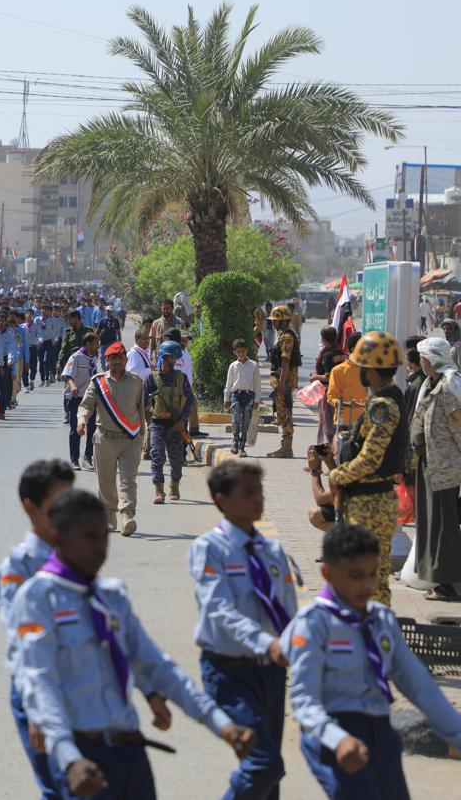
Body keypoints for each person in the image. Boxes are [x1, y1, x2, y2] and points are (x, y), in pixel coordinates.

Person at [12, 488, 255, 800]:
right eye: (88, 537)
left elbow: (156, 665)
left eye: (103, 536)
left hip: (131, 755)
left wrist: (221, 724)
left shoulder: (110, 597)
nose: (99, 547)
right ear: (58, 538)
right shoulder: (36, 599)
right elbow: (40, 684)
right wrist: (69, 758)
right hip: (84, 759)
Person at [282, 523, 461, 798]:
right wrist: (337, 740)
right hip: (332, 732)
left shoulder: (382, 620)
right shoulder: (315, 623)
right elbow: (304, 700)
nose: (366, 585)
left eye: (372, 574)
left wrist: (456, 733)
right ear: (327, 573)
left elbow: (419, 685)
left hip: (379, 729)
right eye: (355, 576)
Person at [189, 461, 296, 800]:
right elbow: (218, 608)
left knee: (270, 777)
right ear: (221, 500)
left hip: (271, 674)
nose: (258, 499)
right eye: (248, 492)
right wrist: (267, 643)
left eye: (260, 491)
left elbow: (288, 611)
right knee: (263, 764)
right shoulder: (210, 548)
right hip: (229, 672)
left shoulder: (273, 550)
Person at [0, 460, 74, 797]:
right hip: (41, 689)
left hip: (77, 682)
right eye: (61, 501)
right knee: (59, 784)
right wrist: (39, 711)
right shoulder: (21, 563)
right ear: (32, 507)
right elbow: (23, 640)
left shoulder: (75, 553)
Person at [317, 332, 409, 606]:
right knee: (371, 579)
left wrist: (336, 475)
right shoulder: (387, 399)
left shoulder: (383, 405)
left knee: (369, 581)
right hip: (370, 498)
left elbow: (370, 459)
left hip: (370, 501)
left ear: (370, 370)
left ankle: (373, 637)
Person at [407, 338, 461, 601]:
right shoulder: (432, 383)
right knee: (432, 523)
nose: (422, 362)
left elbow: (459, 430)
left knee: (444, 525)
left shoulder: (450, 386)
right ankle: (440, 579)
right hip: (429, 464)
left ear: (432, 359)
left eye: (424, 358)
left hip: (445, 468)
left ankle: (452, 584)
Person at [77, 341, 145, 536]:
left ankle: (127, 515)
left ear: (125, 359)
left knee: (128, 481)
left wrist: (142, 436)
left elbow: (141, 412)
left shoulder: (136, 382)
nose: (116, 362)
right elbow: (86, 405)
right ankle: (109, 516)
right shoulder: (98, 382)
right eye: (112, 359)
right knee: (105, 482)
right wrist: (82, 421)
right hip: (104, 439)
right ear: (107, 361)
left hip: (130, 440)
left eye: (120, 358)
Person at [145, 340, 193, 505]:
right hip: (157, 423)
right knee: (157, 456)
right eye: (168, 358)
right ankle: (159, 490)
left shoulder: (182, 378)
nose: (171, 361)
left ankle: (175, 485)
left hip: (176, 424)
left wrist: (182, 421)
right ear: (162, 357)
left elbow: (189, 401)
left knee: (176, 458)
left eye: (174, 358)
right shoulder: (152, 378)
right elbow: (144, 401)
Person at [61, 332, 100, 471]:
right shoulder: (76, 357)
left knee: (93, 429)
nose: (98, 345)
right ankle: (74, 459)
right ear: (88, 343)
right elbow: (67, 374)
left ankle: (88, 457)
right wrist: (72, 386)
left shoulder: (94, 357)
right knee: (75, 429)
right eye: (96, 342)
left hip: (90, 399)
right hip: (76, 398)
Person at [265, 305, 300, 459]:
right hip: (283, 379)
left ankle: (287, 448)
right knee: (283, 411)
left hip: (283, 380)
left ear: (282, 322)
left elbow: (285, 361)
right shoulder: (285, 335)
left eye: (275, 321)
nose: (273, 323)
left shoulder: (286, 337)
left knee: (284, 413)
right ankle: (285, 446)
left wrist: (281, 383)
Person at [325, 331, 366, 440]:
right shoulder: (338, 370)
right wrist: (340, 403)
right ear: (353, 349)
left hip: (366, 425)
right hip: (344, 425)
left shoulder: (371, 370)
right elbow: (331, 396)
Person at [223, 339, 260, 456]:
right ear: (235, 352)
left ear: (246, 350)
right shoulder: (233, 366)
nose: (241, 354)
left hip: (249, 396)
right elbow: (228, 384)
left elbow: (257, 384)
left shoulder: (254, 365)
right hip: (236, 396)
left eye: (243, 351)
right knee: (236, 419)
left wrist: (256, 400)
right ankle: (235, 440)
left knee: (245, 422)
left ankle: (242, 446)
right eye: (238, 352)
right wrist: (226, 398)